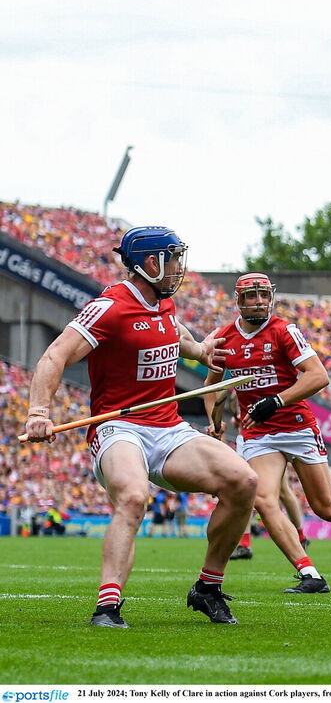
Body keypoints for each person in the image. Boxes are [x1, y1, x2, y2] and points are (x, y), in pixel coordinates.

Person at [23, 226, 259, 627]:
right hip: (119, 427)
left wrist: (200, 350)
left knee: (244, 482)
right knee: (133, 497)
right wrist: (39, 413)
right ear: (151, 263)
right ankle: (108, 606)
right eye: (174, 259)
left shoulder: (162, 303)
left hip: (168, 428)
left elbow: (171, 330)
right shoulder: (110, 307)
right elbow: (55, 355)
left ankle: (208, 587)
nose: (179, 268)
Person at [205, 273, 331, 593]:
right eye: (252, 296)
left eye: (264, 295)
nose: (259, 301)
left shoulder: (284, 331)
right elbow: (212, 386)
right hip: (258, 433)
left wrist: (275, 400)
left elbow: (318, 376)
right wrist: (214, 420)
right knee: (263, 499)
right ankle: (310, 575)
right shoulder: (223, 339)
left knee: (325, 507)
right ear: (238, 301)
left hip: (297, 426)